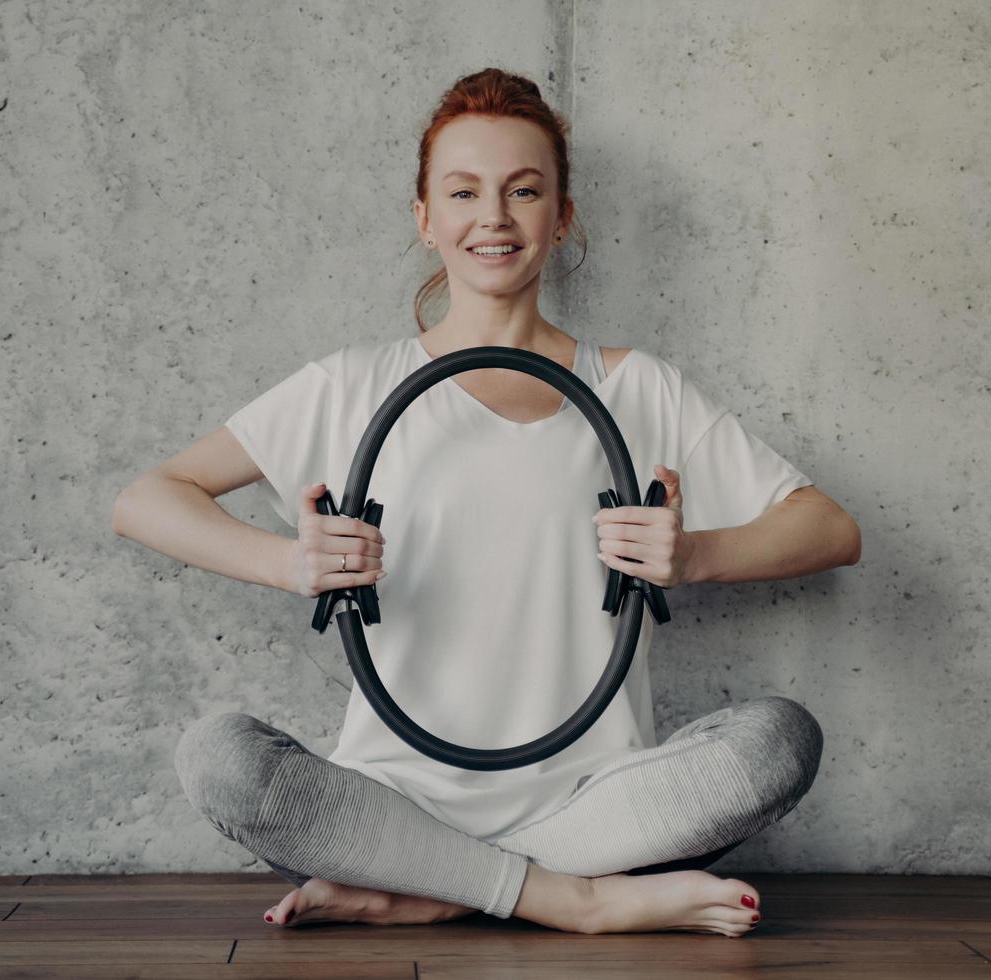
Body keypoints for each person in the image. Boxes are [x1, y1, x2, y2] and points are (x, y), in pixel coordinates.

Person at [113, 67, 861, 939]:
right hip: (387, 807)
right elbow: (146, 499)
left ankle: (446, 888)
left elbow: (830, 528)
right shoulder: (353, 385)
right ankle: (570, 900)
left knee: (779, 740)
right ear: (425, 217)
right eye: (463, 191)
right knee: (222, 761)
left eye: (524, 190)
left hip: (595, 809)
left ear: (561, 215)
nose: (494, 217)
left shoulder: (637, 388)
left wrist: (694, 555)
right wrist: (286, 562)